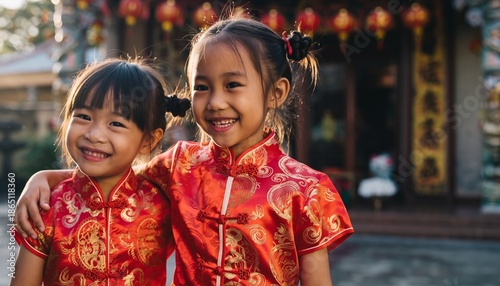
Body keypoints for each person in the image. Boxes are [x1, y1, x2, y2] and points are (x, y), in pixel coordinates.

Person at [15, 16, 354, 286]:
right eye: (202, 87)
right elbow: (114, 173)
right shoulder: (182, 163)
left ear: (275, 93)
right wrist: (42, 178)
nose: (216, 102)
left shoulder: (307, 189)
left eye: (232, 85)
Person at [11, 58, 190, 285]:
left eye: (115, 123)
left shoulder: (164, 206)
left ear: (148, 140)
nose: (94, 134)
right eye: (84, 117)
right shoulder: (47, 207)